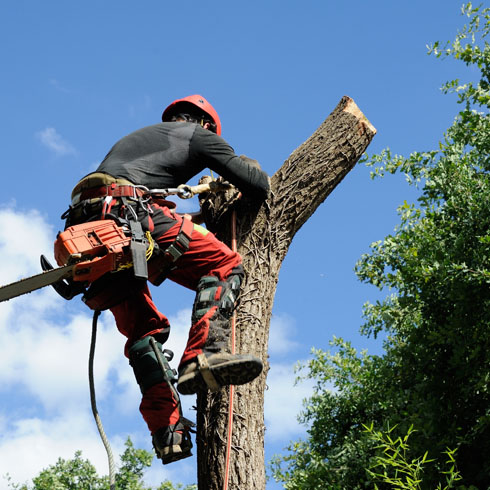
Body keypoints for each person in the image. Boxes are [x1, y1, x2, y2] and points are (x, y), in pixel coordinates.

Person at [61, 95, 270, 464]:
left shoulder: (140, 142)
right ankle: (203, 356)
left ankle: (166, 431)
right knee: (225, 265)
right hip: (128, 214)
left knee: (144, 332)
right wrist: (238, 175)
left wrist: (199, 217)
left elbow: (159, 207)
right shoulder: (196, 134)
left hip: (89, 226)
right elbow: (256, 183)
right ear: (205, 124)